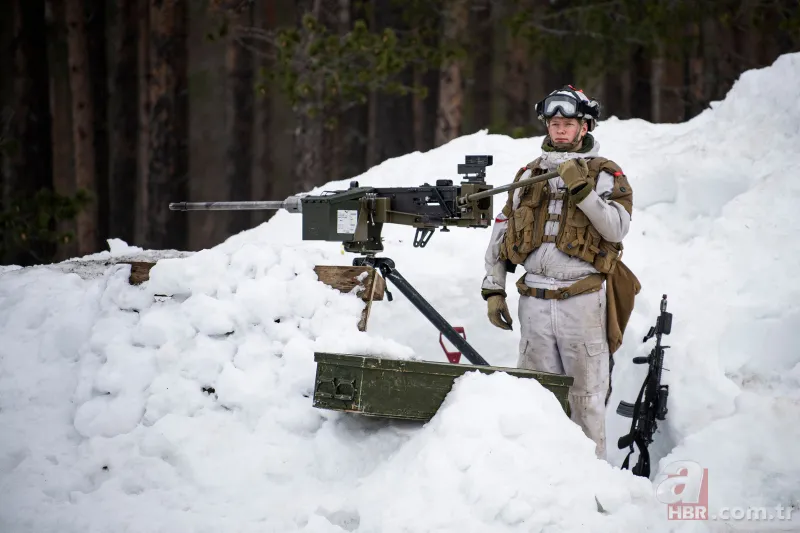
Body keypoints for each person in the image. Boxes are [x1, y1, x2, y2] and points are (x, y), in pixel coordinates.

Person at [480, 86, 640, 460]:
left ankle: (592, 486)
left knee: (585, 398)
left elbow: (616, 229)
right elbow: (502, 235)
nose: (560, 131)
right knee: (534, 397)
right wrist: (494, 290)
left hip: (581, 302)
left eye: (568, 123)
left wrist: (581, 189)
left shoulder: (605, 174)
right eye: (555, 123)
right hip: (534, 302)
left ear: (584, 127)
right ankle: (540, 483)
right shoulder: (529, 173)